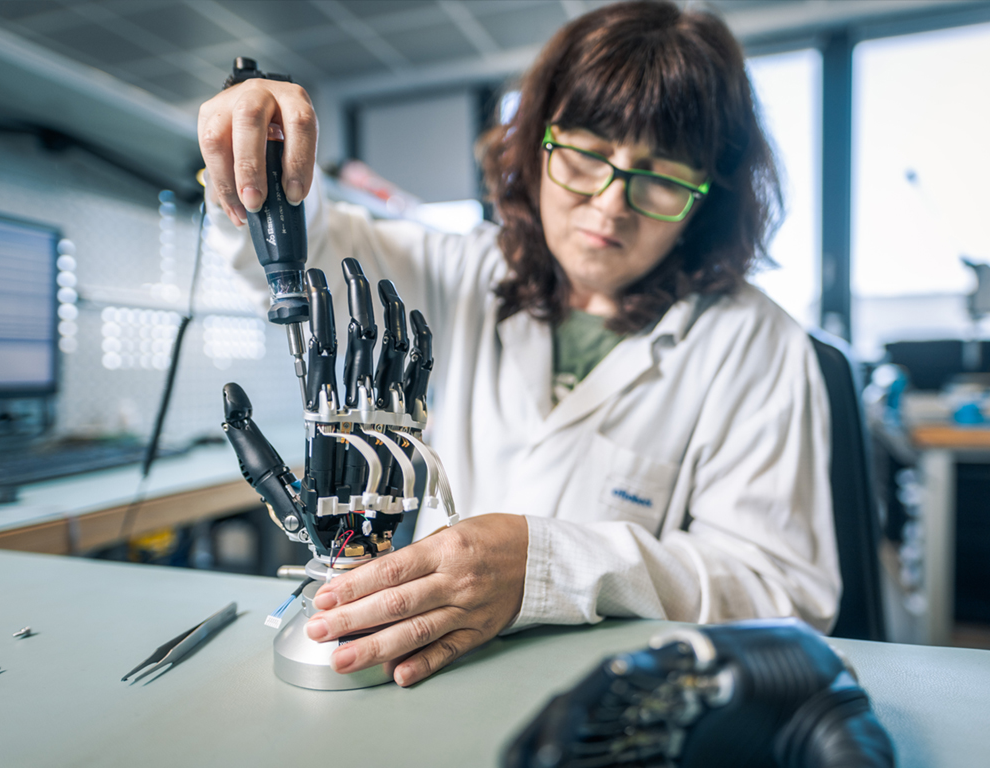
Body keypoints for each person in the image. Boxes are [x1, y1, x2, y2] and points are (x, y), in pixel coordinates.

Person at [198, 0, 840, 688]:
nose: (611, 203)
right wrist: (257, 154)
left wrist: (548, 564)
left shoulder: (755, 342)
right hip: (439, 683)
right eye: (587, 156)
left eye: (659, 176)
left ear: (706, 198)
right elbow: (317, 257)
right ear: (536, 145)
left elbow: (780, 591)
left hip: (623, 708)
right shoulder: (469, 272)